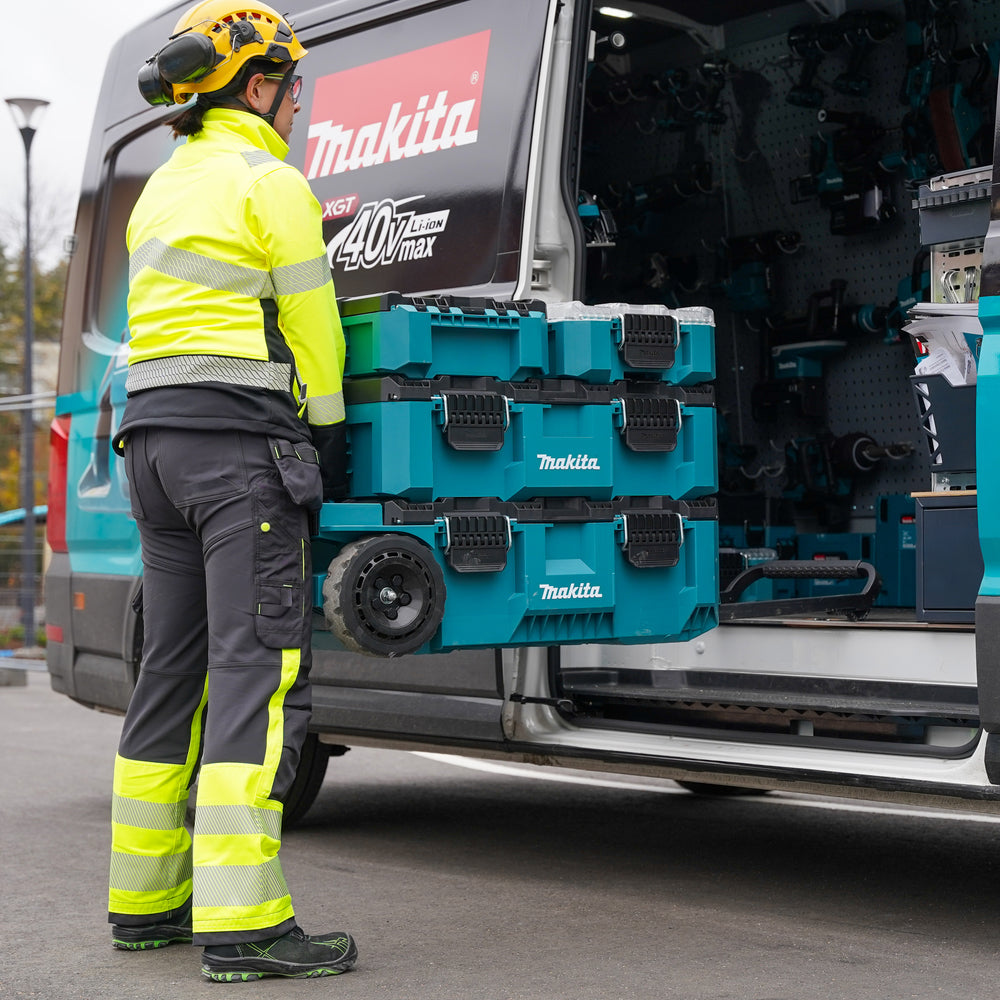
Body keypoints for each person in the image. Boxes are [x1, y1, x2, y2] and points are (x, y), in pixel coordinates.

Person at [106, 0, 357, 982]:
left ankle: (145, 901)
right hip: (236, 455)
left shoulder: (162, 187)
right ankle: (245, 925)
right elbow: (311, 320)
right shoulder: (268, 181)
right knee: (255, 672)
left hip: (152, 450)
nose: (296, 107)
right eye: (292, 89)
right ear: (258, 87)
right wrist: (326, 426)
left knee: (170, 672)